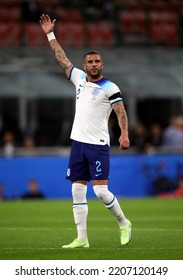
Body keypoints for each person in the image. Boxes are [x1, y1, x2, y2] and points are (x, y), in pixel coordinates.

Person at [40, 14, 132, 249]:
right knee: (77, 191)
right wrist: (50, 34)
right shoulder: (79, 79)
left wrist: (124, 133)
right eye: (89, 62)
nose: (93, 65)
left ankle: (124, 222)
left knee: (101, 192)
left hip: (98, 144)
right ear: (84, 65)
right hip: (78, 144)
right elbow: (61, 59)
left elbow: (120, 111)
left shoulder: (110, 87)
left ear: (102, 65)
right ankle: (82, 239)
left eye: (97, 62)